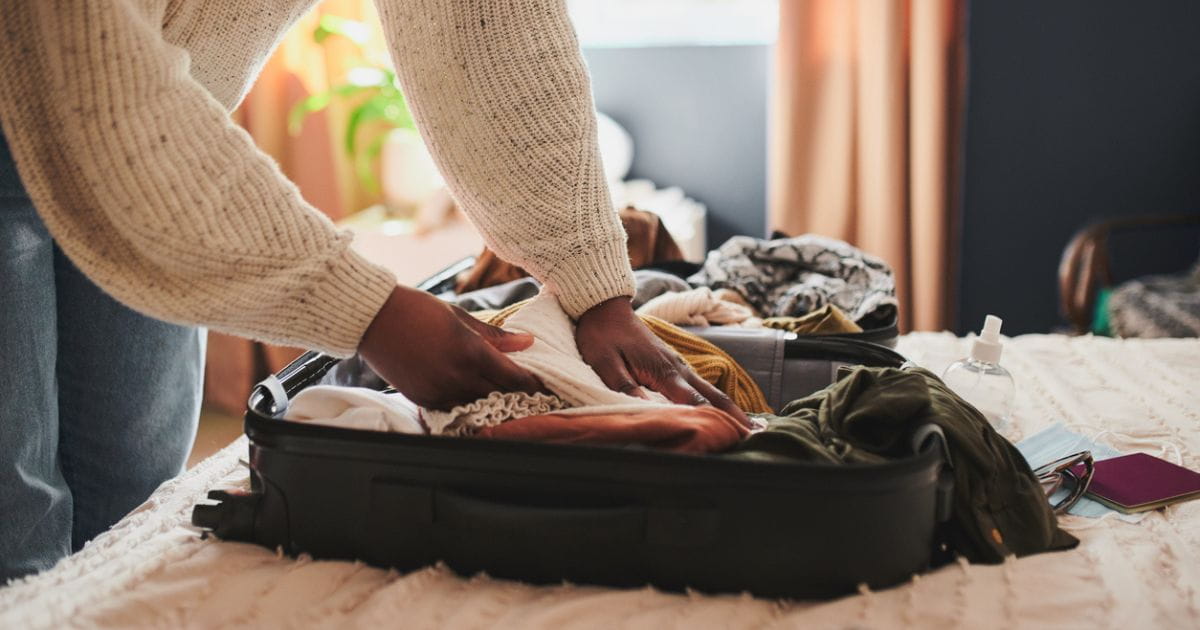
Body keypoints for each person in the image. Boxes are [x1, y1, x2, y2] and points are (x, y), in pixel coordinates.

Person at [0, 0, 747, 581]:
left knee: (131, 514)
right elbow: (91, 79)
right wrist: (366, 310)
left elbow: (485, 30)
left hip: (169, 139)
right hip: (60, 101)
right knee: (18, 532)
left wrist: (595, 286)